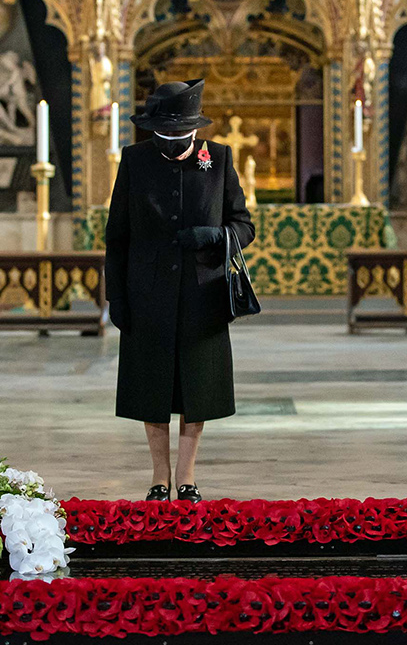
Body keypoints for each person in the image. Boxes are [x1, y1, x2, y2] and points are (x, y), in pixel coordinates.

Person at [104, 79, 255, 502]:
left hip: (201, 294)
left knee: (196, 388)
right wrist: (116, 295)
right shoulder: (134, 160)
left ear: (193, 130)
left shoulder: (220, 158)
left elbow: (245, 225)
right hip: (146, 293)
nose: (172, 145)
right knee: (151, 388)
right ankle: (158, 477)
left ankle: (186, 478)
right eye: (164, 137)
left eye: (179, 138)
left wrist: (215, 235)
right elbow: (117, 235)